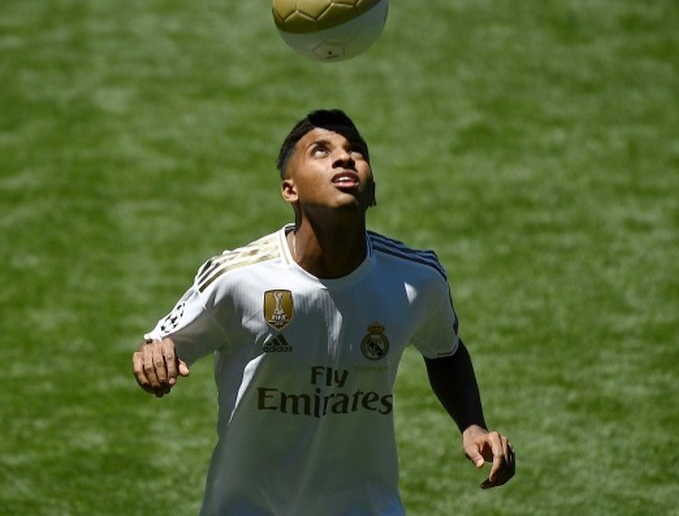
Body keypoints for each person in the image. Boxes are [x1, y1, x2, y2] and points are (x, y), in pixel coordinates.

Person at [133, 109, 515, 515]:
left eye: (356, 152)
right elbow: (160, 345)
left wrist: (472, 423)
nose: (345, 158)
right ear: (289, 190)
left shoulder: (416, 280)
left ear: (372, 191)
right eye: (321, 150)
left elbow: (446, 350)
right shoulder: (237, 278)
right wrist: (154, 357)